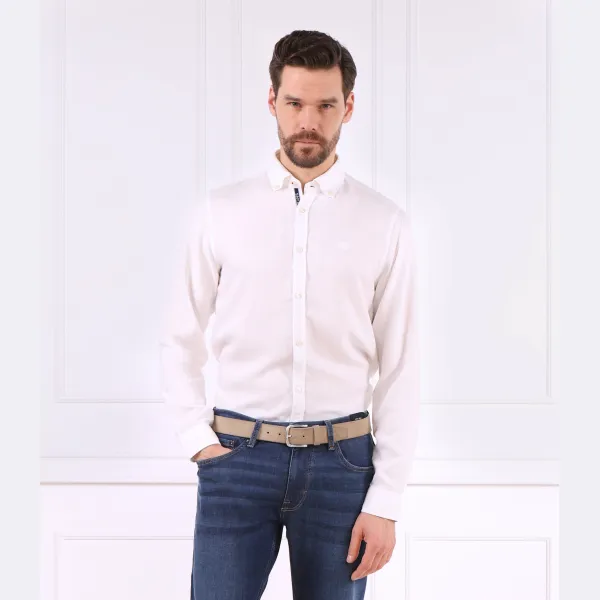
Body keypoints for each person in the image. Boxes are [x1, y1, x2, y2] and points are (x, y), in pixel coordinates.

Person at [159, 29, 420, 600]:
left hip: (343, 467)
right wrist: (198, 442)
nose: (309, 121)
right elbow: (179, 338)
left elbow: (401, 366)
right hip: (236, 460)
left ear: (348, 107)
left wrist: (386, 500)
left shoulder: (384, 222)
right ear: (272, 100)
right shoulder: (221, 213)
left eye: (326, 105)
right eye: (295, 103)